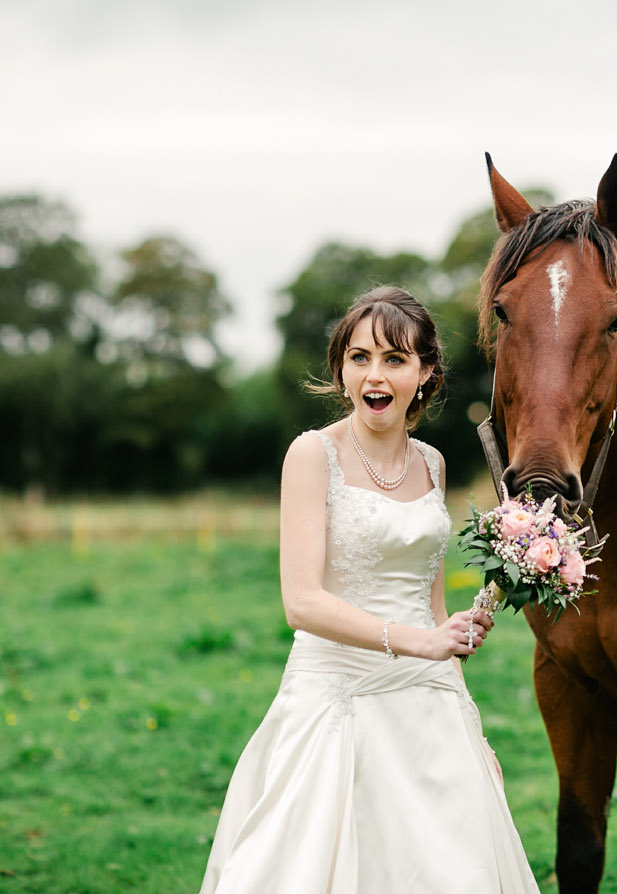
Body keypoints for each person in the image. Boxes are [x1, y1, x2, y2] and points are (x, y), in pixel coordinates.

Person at [201, 285, 540, 893]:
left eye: (393, 358)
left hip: (430, 706)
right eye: (359, 358)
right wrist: (418, 641)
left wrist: (472, 723)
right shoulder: (312, 455)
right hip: (336, 701)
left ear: (425, 371)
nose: (373, 374)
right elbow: (301, 603)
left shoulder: (432, 464)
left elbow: (431, 605)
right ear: (341, 369)